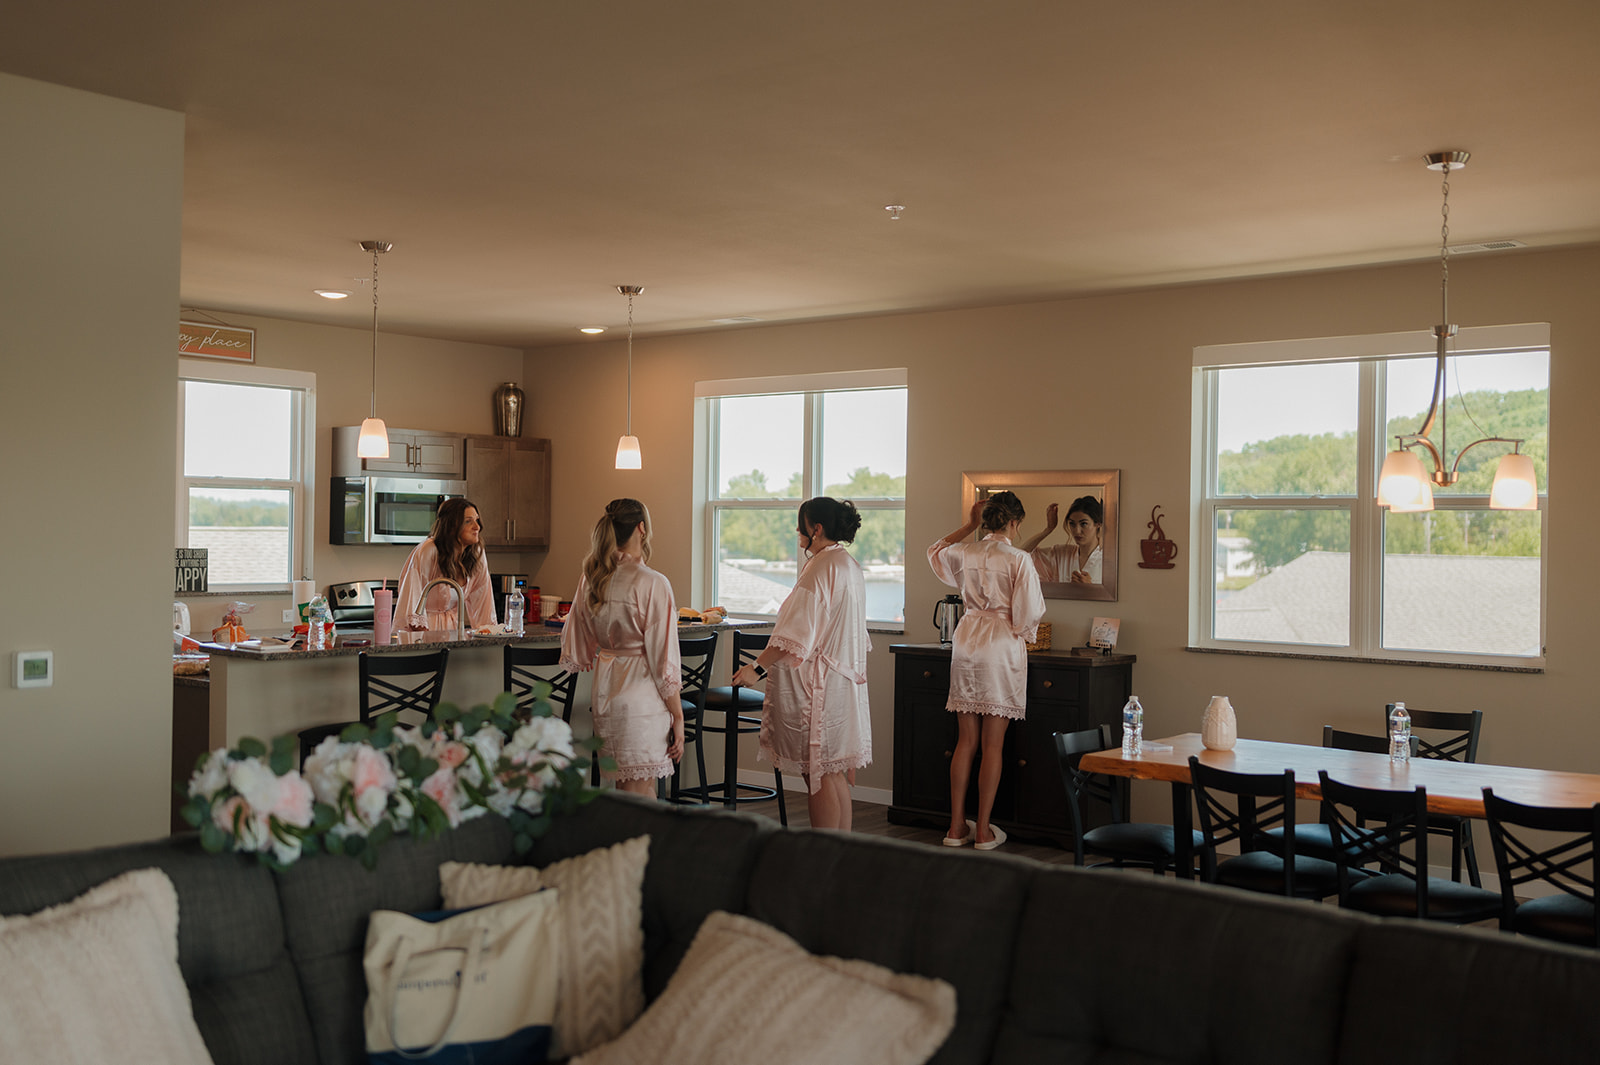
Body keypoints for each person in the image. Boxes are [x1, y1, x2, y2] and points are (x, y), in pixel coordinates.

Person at [732, 497, 872, 832]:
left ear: (816, 529)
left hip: (818, 688)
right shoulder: (848, 565)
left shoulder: (822, 568)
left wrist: (756, 668)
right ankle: (839, 853)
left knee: (818, 773)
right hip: (841, 683)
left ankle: (821, 856)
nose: (797, 531)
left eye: (801, 525)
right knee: (831, 771)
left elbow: (794, 632)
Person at [928, 491, 1045, 850]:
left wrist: (969, 524)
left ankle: (954, 827)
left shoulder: (965, 552)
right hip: (1000, 643)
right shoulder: (1019, 559)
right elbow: (1030, 613)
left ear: (987, 519)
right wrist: (1025, 634)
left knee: (966, 741)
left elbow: (934, 551)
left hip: (966, 641)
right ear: (1014, 523)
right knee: (993, 745)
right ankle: (982, 831)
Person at [559, 498, 685, 796]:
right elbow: (663, 659)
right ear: (641, 528)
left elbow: (576, 633)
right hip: (641, 697)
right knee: (638, 794)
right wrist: (678, 716)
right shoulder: (653, 583)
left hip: (606, 694)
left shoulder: (592, 578)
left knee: (629, 791)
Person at [395, 497, 498, 631]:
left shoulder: (476, 553)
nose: (477, 527)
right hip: (423, 634)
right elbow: (411, 608)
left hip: (451, 634)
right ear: (451, 527)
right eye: (468, 521)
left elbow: (484, 605)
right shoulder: (429, 550)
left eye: (476, 520)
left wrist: (489, 637)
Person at [1020, 495, 1104, 584]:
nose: (1077, 531)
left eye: (1083, 524)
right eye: (1072, 524)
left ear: (1097, 524)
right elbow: (1022, 555)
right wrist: (1048, 529)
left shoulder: (1108, 559)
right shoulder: (1061, 554)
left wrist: (1092, 588)